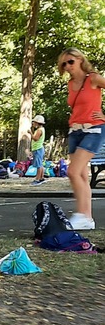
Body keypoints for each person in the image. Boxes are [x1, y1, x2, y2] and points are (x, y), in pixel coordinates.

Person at [58, 50, 105, 230]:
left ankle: (81, 215)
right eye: (63, 64)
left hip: (94, 129)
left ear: (79, 59)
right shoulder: (71, 84)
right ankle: (87, 219)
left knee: (73, 171)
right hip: (75, 131)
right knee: (82, 175)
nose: (67, 67)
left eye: (70, 62)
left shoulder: (93, 78)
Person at [29, 115, 46, 185]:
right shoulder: (42, 129)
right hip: (38, 148)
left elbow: (36, 139)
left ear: (37, 123)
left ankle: (37, 179)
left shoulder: (39, 130)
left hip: (38, 149)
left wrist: (30, 133)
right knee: (40, 164)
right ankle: (41, 178)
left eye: (34, 122)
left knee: (38, 165)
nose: (33, 124)